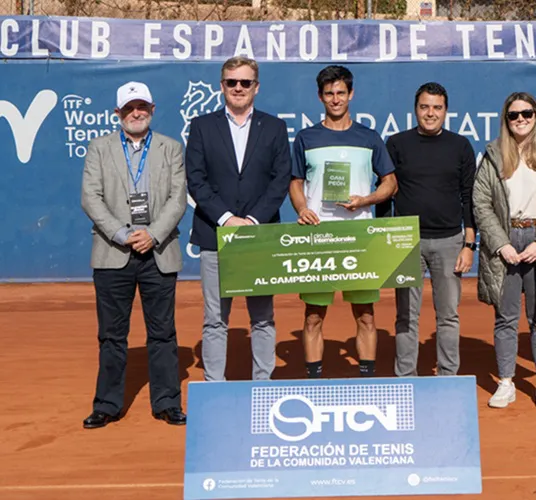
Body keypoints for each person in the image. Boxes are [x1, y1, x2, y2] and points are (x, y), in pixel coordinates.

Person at [80, 82, 187, 428]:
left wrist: (152, 234)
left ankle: (167, 402)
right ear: (118, 113)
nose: (135, 113)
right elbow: (91, 198)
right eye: (128, 108)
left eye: (141, 106)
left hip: (158, 251)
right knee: (112, 335)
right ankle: (107, 405)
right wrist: (122, 234)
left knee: (163, 333)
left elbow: (177, 199)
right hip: (113, 252)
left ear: (152, 110)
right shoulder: (99, 148)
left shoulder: (171, 148)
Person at [186, 56, 292, 381]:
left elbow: (280, 180)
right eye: (232, 82)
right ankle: (215, 387)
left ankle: (263, 385)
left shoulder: (274, 127)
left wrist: (253, 221)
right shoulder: (202, 126)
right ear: (222, 86)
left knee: (262, 317)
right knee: (215, 320)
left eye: (245, 82)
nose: (238, 88)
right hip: (215, 235)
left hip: (259, 238)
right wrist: (227, 219)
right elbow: (196, 179)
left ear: (256, 87)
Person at [290, 65, 397, 379]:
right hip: (317, 237)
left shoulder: (369, 137)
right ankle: (314, 382)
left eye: (340, 93)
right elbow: (295, 182)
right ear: (320, 97)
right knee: (313, 317)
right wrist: (302, 208)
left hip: (359, 237)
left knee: (365, 316)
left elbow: (390, 183)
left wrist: (365, 200)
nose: (335, 99)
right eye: (329, 93)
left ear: (351, 94)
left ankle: (366, 380)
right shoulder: (306, 137)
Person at [473, 92, 536, 410]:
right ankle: (506, 382)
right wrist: (501, 243)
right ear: (506, 120)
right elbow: (481, 203)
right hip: (504, 241)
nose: (520, 120)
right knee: (505, 318)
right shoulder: (492, 156)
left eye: (527, 114)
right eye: (514, 115)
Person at [377, 82, 476, 377]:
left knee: (448, 315)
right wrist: (386, 238)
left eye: (437, 108)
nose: (430, 113)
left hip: (450, 241)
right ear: (415, 109)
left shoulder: (460, 146)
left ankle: (448, 377)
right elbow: (384, 192)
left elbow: (469, 196)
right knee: (406, 316)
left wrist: (469, 244)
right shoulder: (396, 143)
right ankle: (406, 378)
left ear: (446, 111)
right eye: (424, 107)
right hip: (407, 242)